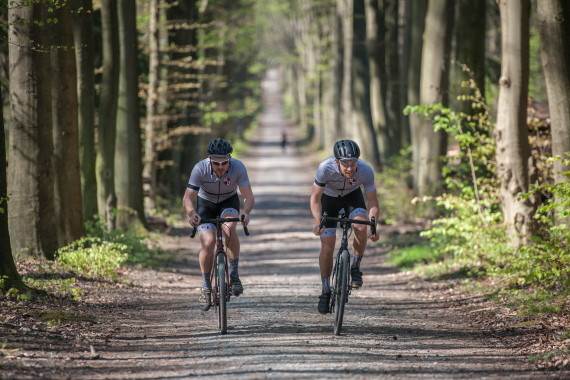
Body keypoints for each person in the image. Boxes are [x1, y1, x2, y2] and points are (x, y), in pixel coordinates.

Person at [183, 138, 255, 310]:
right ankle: (206, 283)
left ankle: (234, 273)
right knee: (208, 242)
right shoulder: (200, 168)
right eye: (216, 163)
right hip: (205, 203)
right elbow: (188, 197)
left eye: (224, 163)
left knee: (229, 229)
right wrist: (192, 213)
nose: (221, 167)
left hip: (228, 202)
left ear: (229, 159)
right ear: (209, 160)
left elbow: (248, 196)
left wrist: (245, 211)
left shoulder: (238, 167)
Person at [309, 139, 379, 314]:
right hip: (329, 200)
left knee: (360, 227)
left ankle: (355, 266)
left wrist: (373, 226)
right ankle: (325, 290)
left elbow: (372, 201)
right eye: (345, 163)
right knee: (327, 244)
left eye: (353, 162)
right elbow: (315, 199)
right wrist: (318, 221)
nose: (349, 167)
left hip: (352, 197)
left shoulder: (365, 171)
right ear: (336, 161)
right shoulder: (325, 168)